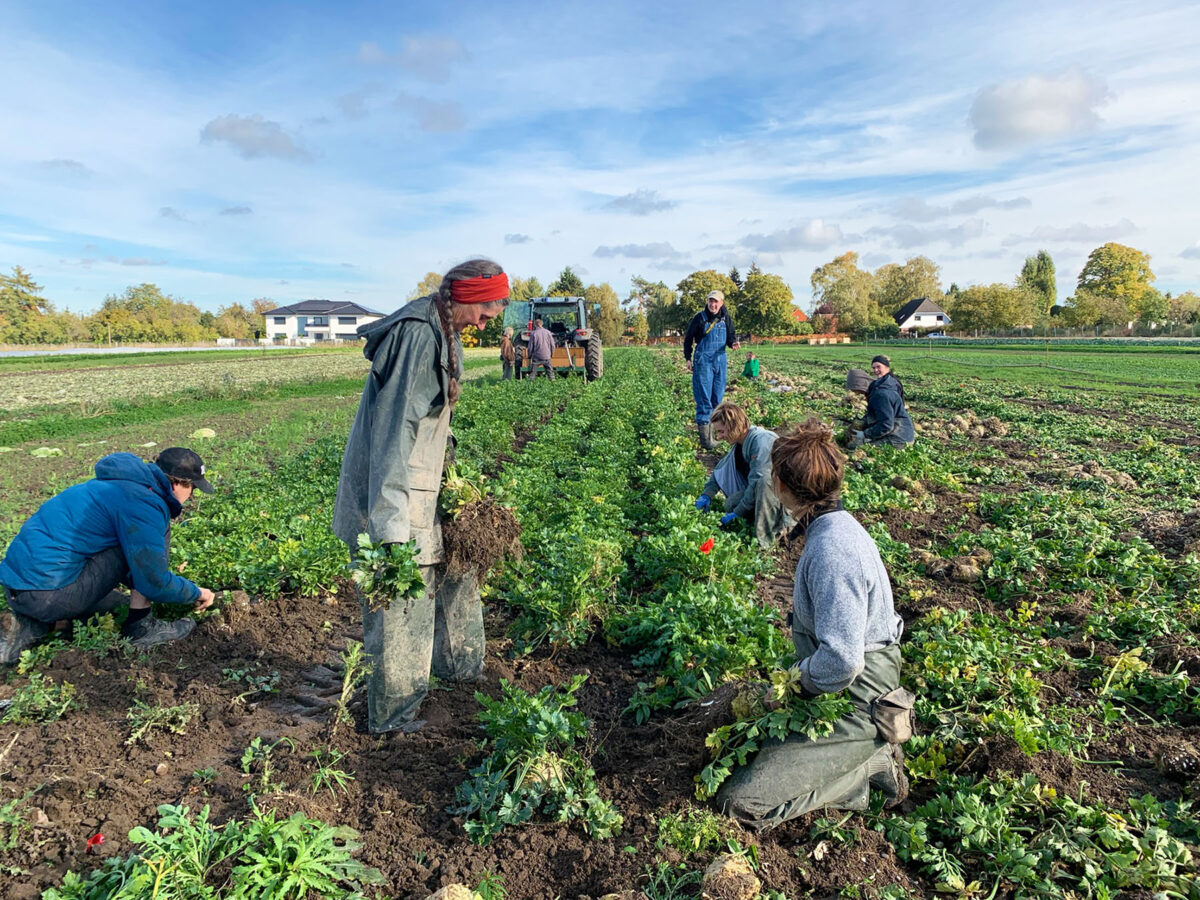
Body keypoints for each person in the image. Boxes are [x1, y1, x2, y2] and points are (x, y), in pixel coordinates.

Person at [333, 258, 509, 735]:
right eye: (484, 314)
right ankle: (393, 720)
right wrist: (390, 529)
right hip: (392, 497)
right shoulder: (417, 336)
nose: (484, 324)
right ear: (467, 298)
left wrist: (452, 486)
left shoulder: (445, 331)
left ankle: (456, 674)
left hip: (421, 488)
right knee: (400, 609)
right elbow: (393, 433)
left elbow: (432, 425)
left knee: (455, 576)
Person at [715, 419, 908, 828]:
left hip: (858, 697)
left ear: (783, 486)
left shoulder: (832, 551)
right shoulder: (833, 527)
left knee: (740, 803)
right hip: (843, 685)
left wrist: (793, 684)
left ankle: (866, 769)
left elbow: (841, 661)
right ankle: (862, 752)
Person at [0, 448, 217, 664]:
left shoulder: (116, 485)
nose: (191, 497)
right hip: (48, 596)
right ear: (179, 483)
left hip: (18, 589)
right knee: (139, 551)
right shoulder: (144, 503)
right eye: (193, 489)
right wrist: (196, 592)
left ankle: (33, 625)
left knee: (117, 604)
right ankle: (141, 627)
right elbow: (153, 580)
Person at [694, 403, 792, 548]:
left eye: (721, 431)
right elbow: (723, 468)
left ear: (733, 426)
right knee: (731, 504)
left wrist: (738, 512)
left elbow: (759, 481)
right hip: (765, 493)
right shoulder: (740, 443)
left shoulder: (761, 441)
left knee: (764, 481)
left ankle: (768, 539)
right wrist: (707, 494)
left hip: (785, 498)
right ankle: (759, 522)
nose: (719, 437)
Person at [683, 290, 740, 449]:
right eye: (710, 301)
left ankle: (717, 435)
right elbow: (688, 339)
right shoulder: (699, 318)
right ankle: (706, 441)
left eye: (716, 302)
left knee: (717, 400)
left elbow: (730, 336)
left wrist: (733, 343)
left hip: (720, 360)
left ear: (721, 303)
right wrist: (688, 358)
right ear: (707, 302)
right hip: (703, 361)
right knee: (704, 400)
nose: (713, 304)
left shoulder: (725, 318)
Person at [848, 355, 914, 448]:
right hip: (896, 429)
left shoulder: (880, 395)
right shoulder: (879, 386)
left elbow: (886, 425)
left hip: (899, 437)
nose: (875, 370)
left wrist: (865, 434)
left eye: (878, 367)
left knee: (858, 447)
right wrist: (864, 422)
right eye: (873, 367)